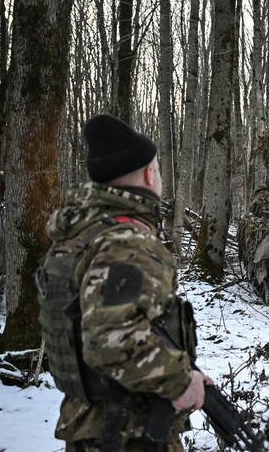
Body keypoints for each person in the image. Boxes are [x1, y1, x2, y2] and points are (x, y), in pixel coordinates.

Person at [38, 115, 210, 452]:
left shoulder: (81, 233)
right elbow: (109, 340)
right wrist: (181, 381)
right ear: (148, 174)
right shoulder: (126, 242)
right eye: (158, 169)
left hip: (92, 423)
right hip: (127, 431)